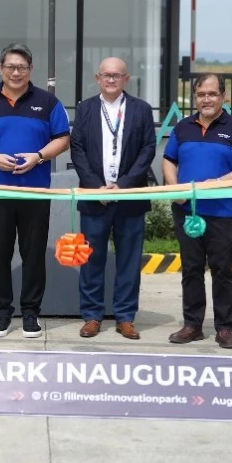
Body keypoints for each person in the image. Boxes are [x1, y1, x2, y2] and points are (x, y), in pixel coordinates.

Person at [0, 43, 70, 339]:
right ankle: (1, 313)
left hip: (35, 192)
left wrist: (40, 156)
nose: (16, 72)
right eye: (10, 66)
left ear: (30, 70)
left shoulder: (47, 102)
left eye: (22, 67)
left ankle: (31, 312)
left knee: (33, 253)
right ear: (1, 69)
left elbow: (63, 138)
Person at [162, 73, 232, 349]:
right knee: (191, 269)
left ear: (223, 97)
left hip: (222, 211)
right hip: (187, 211)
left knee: (222, 270)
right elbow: (169, 160)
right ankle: (192, 324)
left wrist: (218, 183)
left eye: (212, 94)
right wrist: (175, 188)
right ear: (195, 97)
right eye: (201, 94)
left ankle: (224, 328)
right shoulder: (183, 128)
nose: (207, 99)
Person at [69, 57, 156, 340]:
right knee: (92, 260)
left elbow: (147, 149)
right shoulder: (85, 109)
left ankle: (125, 317)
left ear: (126, 79)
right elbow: (77, 149)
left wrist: (124, 185)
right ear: (97, 78)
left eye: (116, 75)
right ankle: (92, 316)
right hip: (95, 198)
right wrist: (96, 187)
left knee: (129, 260)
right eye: (106, 75)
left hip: (129, 198)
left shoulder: (141, 109)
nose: (111, 80)